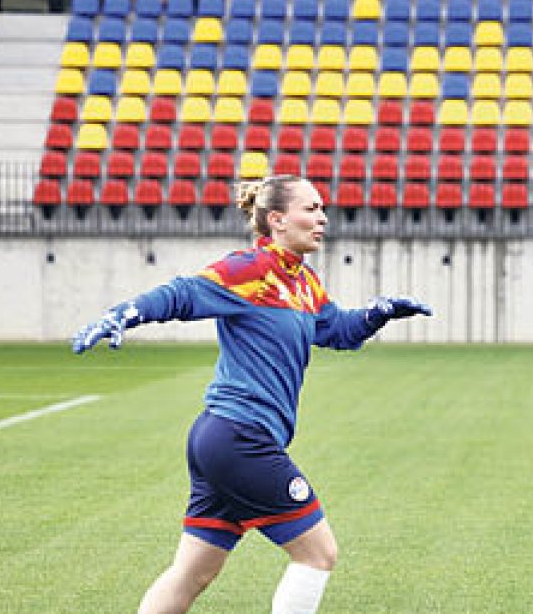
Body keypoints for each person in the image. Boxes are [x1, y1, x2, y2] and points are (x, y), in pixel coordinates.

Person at [71, 175, 432, 614]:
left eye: (322, 209)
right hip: (240, 439)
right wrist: (123, 314)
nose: (322, 218)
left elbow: (336, 329)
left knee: (192, 574)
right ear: (277, 220)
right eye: (311, 208)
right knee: (318, 554)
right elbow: (183, 294)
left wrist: (379, 313)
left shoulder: (302, 282)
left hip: (221, 440)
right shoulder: (251, 268)